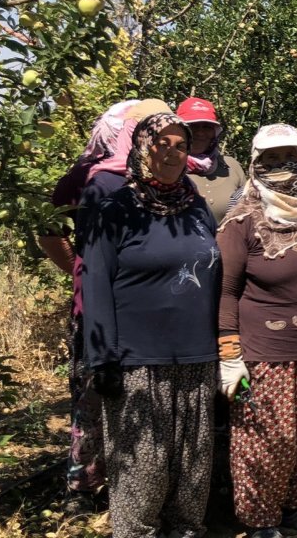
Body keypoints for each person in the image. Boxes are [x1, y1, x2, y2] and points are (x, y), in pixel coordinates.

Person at [80, 112, 220, 538]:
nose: (173, 153)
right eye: (162, 143)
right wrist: (101, 359)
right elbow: (96, 283)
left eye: (181, 145)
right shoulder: (115, 209)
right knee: (143, 477)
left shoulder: (195, 206)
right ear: (141, 147)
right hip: (137, 362)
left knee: (192, 478)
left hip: (197, 356)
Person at [216, 124, 297, 538]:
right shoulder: (243, 220)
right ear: (254, 163)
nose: (280, 167)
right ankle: (260, 520)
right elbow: (227, 291)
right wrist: (229, 353)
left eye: (289, 157)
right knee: (268, 440)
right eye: (269, 159)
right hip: (264, 353)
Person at [40, 99, 159, 508]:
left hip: (144, 309)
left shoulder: (163, 174)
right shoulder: (87, 174)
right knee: (91, 396)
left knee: (138, 398)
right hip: (93, 308)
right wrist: (78, 269)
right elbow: (49, 228)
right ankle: (84, 486)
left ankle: (130, 480)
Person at [177, 97, 247, 224]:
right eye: (193, 126)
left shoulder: (231, 165)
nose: (200, 133)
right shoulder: (169, 166)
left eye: (207, 127)